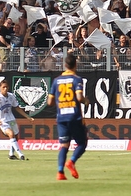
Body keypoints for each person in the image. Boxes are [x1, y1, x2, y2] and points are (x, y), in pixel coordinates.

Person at [47, 53, 88, 181]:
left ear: (65, 65)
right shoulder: (76, 79)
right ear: (75, 65)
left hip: (61, 116)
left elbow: (49, 102)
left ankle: (60, 172)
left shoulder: (56, 80)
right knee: (82, 143)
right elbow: (80, 97)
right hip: (74, 116)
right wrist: (86, 101)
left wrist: (60, 102)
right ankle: (72, 161)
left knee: (64, 145)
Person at [0, 80, 34, 160]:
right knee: (11, 134)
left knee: (16, 136)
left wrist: (27, 116)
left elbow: (16, 107)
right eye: (3, 87)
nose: (5, 89)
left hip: (12, 119)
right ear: (0, 88)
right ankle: (21, 154)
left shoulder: (11, 96)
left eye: (6, 87)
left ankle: (11, 154)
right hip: (3, 121)